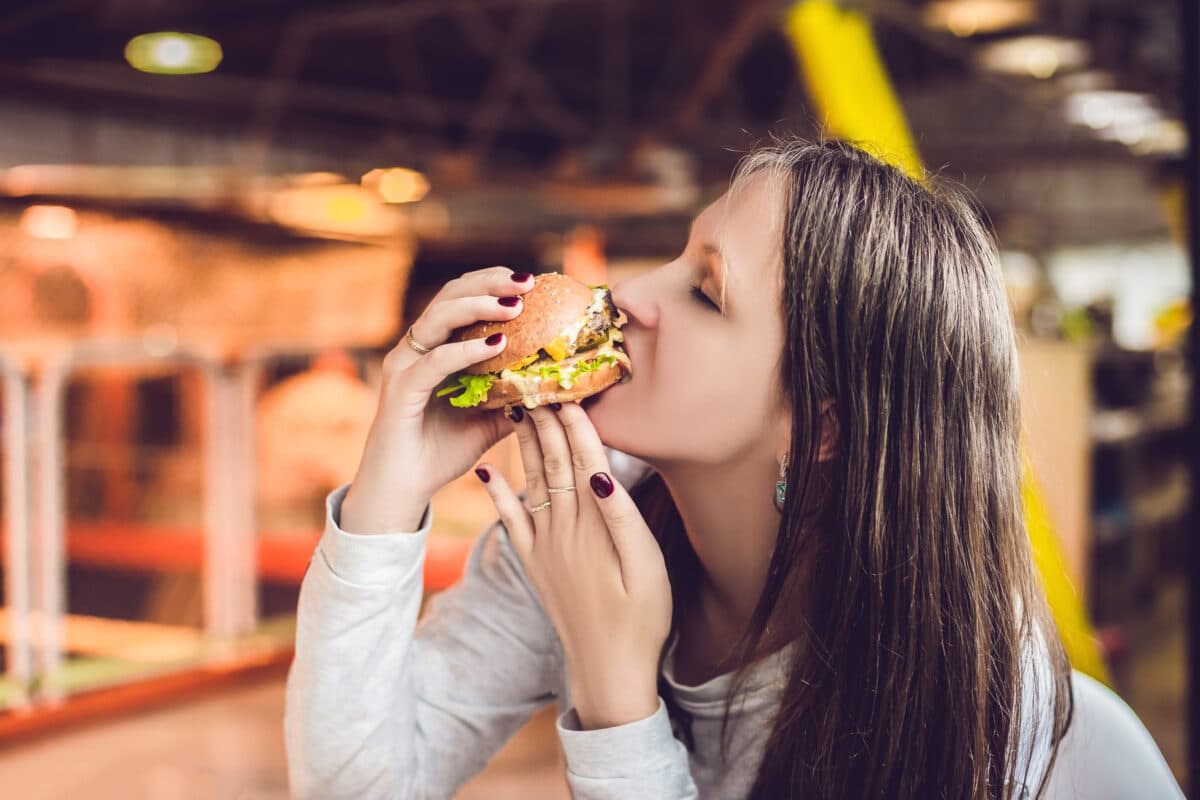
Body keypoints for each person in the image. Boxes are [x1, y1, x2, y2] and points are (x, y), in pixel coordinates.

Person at [284, 138, 1075, 798]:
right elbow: (356, 785)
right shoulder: (579, 531)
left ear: (822, 426)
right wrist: (386, 498)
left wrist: (615, 695)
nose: (627, 293)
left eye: (705, 291)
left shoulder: (968, 685)